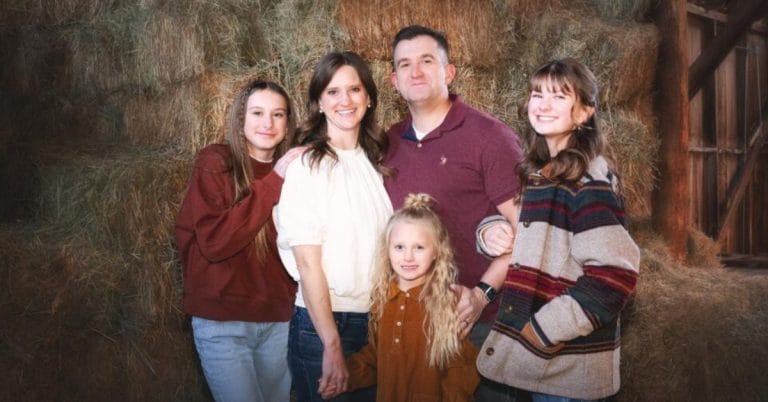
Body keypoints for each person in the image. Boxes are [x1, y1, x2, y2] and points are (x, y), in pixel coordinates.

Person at [475, 58, 641, 402]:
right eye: (537, 94)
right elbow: (530, 230)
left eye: (559, 96)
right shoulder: (543, 173)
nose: (543, 105)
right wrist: (489, 231)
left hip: (565, 372)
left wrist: (541, 332)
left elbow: (614, 277)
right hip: (539, 369)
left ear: (583, 113)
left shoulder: (588, 181)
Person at [384, 24, 524, 400]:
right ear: (393, 80)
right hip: (418, 323)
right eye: (405, 64)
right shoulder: (388, 144)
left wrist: (481, 295)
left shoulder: (489, 137)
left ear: (448, 72)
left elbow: (528, 232)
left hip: (481, 324)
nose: (416, 72)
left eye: (427, 61)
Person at [275, 51, 393, 402]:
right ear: (318, 103)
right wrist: (331, 343)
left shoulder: (373, 165)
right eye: (333, 92)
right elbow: (308, 263)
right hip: (326, 324)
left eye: (354, 90)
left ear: (369, 98)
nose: (345, 100)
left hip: (375, 321)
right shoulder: (308, 166)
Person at [175, 79, 301, 402]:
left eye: (278, 115)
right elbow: (215, 241)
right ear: (240, 119)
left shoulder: (297, 174)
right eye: (257, 112)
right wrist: (274, 181)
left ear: (288, 126)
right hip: (223, 322)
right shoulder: (216, 163)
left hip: (277, 320)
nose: (267, 123)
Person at [328, 193, 479, 401]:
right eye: (399, 247)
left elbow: (460, 369)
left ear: (436, 251)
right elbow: (375, 357)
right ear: (387, 250)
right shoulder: (382, 298)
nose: (408, 257)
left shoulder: (448, 302)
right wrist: (345, 377)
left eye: (419, 247)